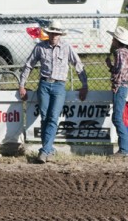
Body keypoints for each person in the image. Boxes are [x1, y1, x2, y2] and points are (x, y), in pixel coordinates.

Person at [19, 20, 88, 164]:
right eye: (52, 33)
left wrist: (84, 84)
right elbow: (29, 65)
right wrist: (22, 84)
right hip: (44, 84)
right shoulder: (40, 47)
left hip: (59, 85)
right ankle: (48, 150)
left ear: (60, 35)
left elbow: (78, 63)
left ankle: (44, 151)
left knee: (53, 117)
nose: (54, 36)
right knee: (45, 117)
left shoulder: (66, 47)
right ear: (48, 34)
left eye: (57, 34)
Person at [106, 25, 128, 158]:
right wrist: (112, 67)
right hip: (124, 85)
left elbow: (119, 70)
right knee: (118, 117)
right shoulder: (127, 52)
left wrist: (115, 80)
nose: (112, 40)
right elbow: (122, 69)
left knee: (117, 118)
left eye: (114, 39)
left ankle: (125, 149)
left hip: (120, 86)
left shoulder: (119, 53)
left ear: (117, 41)